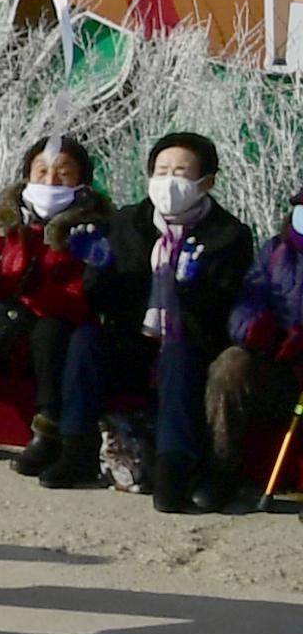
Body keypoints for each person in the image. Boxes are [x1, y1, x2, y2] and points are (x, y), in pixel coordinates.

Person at [75, 133, 256, 511]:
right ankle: (72, 444)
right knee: (87, 339)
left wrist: (191, 288)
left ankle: (175, 467)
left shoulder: (229, 235)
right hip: (135, 340)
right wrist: (98, 270)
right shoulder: (127, 223)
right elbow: (103, 301)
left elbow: (224, 313)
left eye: (181, 172)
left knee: (178, 354)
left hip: (191, 345)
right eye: (161, 171)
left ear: (205, 182)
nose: (168, 180)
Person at [0, 137, 115, 485]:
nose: (50, 182)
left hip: (54, 326)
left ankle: (47, 430)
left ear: (82, 180)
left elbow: (85, 299)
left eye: (63, 173)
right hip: (1, 320)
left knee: (50, 331)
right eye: (42, 171)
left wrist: (40, 287)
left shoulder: (93, 227)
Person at [208, 193, 303, 513]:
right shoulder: (276, 252)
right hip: (282, 369)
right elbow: (249, 300)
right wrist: (257, 330)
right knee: (231, 366)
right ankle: (223, 470)